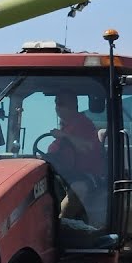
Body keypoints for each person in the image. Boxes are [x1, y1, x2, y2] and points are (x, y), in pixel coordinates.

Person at [45, 93, 106, 226]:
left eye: (62, 104)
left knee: (79, 188)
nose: (57, 107)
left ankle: (58, 226)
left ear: (74, 106)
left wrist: (64, 136)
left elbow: (87, 147)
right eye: (56, 103)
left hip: (87, 174)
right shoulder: (65, 126)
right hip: (63, 173)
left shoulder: (83, 124)